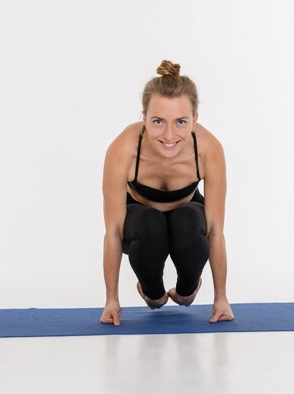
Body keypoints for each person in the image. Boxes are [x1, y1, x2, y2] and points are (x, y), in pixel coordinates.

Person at [99, 60, 234, 326]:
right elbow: (113, 232)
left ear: (195, 119)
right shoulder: (123, 150)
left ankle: (187, 289)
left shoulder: (209, 150)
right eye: (158, 121)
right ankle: (152, 292)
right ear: (144, 118)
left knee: (187, 222)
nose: (169, 135)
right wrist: (111, 300)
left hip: (187, 217)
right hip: (141, 221)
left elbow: (216, 230)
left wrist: (221, 298)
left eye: (181, 122)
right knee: (151, 226)